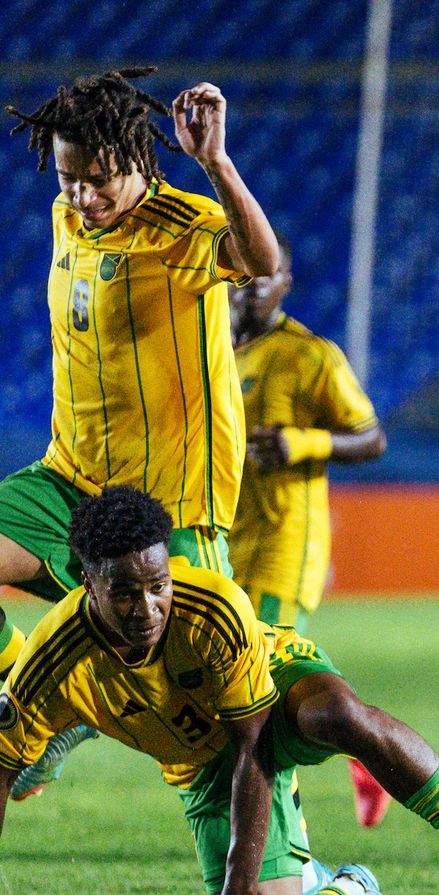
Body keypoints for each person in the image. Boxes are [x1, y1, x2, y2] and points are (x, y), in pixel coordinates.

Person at [0, 486, 439, 895]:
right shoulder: (50, 663)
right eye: (125, 594)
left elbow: (256, 744)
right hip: (202, 769)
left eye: (158, 586)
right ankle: (355, 894)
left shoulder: (214, 607)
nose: (148, 608)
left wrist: (239, 888)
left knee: (339, 716)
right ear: (86, 583)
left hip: (271, 703)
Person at [1, 67, 278, 797]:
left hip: (166, 510)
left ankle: (317, 884)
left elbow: (262, 261)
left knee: (220, 744)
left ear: (136, 163)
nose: (82, 196)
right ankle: (26, 706)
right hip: (67, 479)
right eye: (68, 179)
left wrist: (215, 163)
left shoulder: (180, 227)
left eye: (98, 179)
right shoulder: (69, 218)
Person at [228, 236, 391, 828]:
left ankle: (281, 825)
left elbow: (371, 436)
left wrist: (305, 442)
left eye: (264, 276)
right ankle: (368, 747)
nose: (249, 286)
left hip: (283, 542)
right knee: (250, 674)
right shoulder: (209, 349)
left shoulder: (310, 355)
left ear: (285, 283)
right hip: (221, 537)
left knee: (264, 682)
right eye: (240, 273)